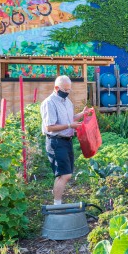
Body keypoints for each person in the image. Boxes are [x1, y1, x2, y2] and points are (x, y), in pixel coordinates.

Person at [40, 75, 88, 204]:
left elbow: (70, 119)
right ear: (56, 88)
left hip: (67, 141)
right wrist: (69, 126)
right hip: (55, 141)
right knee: (64, 174)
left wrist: (82, 114)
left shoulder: (67, 102)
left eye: (69, 90)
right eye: (65, 90)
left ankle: (57, 197)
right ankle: (57, 204)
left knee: (66, 173)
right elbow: (49, 127)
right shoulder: (49, 103)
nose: (67, 92)